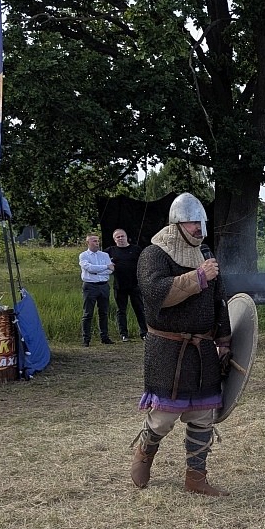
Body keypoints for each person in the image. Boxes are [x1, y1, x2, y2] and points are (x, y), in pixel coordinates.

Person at [127, 193, 233, 496]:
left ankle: (196, 478)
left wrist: (223, 339)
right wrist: (197, 277)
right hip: (168, 351)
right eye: (193, 222)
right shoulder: (154, 254)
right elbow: (155, 293)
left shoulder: (205, 252)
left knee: (203, 415)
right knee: (163, 417)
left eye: (202, 222)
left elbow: (218, 301)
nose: (200, 228)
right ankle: (144, 454)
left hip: (202, 351)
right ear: (177, 223)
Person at [107, 228, 147, 342]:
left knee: (139, 309)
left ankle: (144, 333)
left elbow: (144, 264)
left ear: (126, 237)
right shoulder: (110, 251)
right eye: (117, 237)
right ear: (114, 240)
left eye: (122, 236)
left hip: (135, 285)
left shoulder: (136, 249)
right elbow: (100, 260)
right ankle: (124, 334)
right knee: (121, 310)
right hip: (119, 285)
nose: (120, 238)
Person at [79, 233, 114, 346]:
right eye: (94, 241)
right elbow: (89, 268)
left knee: (103, 312)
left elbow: (110, 270)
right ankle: (86, 339)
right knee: (88, 313)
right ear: (88, 243)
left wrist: (99, 270)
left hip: (104, 285)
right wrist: (105, 267)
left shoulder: (104, 255)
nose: (97, 243)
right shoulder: (83, 255)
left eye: (98, 241)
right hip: (90, 286)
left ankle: (104, 337)